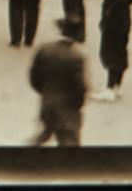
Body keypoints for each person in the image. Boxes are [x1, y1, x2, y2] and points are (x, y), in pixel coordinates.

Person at [29, 15, 89, 146]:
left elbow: (34, 78)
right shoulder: (76, 57)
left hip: (47, 104)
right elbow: (80, 88)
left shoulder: (44, 49)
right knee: (70, 146)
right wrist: (77, 106)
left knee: (42, 136)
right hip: (67, 111)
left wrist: (46, 93)